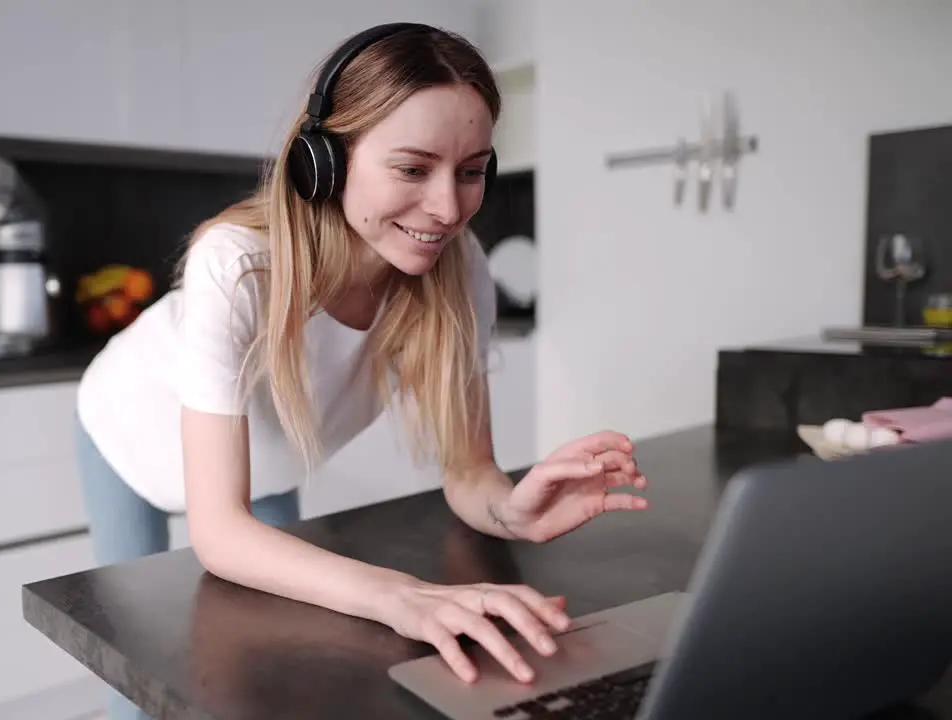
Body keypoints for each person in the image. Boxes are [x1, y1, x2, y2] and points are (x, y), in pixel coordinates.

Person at [74, 22, 648, 720]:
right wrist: (400, 596)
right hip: (129, 425)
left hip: (271, 460)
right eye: (412, 169)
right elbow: (221, 531)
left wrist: (512, 509)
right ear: (326, 161)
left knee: (250, 665)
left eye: (471, 171)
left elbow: (470, 474)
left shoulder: (459, 270)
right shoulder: (237, 266)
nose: (447, 208)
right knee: (130, 665)